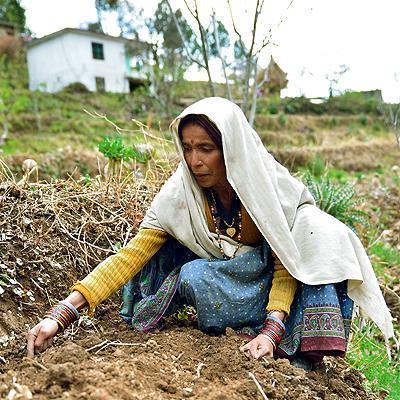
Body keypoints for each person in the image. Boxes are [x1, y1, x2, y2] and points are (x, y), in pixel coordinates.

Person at [27, 97, 393, 370]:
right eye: (187, 148)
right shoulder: (180, 194)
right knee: (192, 274)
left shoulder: (266, 189)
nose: (194, 160)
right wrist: (60, 314)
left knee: (320, 233)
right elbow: (130, 256)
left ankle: (290, 346)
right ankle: (244, 329)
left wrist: (271, 330)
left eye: (206, 148)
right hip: (235, 286)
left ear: (230, 150)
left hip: (284, 288)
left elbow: (286, 264)